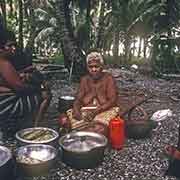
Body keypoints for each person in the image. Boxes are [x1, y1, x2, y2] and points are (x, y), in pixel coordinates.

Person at [0, 43, 51, 138]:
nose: (13, 48)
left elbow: (6, 79)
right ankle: (36, 128)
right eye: (9, 46)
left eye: (13, 45)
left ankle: (17, 125)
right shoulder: (3, 63)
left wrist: (23, 71)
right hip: (5, 106)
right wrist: (40, 88)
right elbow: (20, 88)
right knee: (46, 95)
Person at [60, 52, 119, 132]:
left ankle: (84, 133)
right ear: (87, 67)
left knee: (99, 128)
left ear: (101, 67)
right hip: (85, 110)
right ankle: (80, 131)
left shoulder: (108, 78)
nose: (93, 69)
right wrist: (76, 109)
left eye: (96, 66)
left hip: (105, 110)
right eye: (90, 67)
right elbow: (78, 99)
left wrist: (96, 111)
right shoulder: (84, 79)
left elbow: (112, 100)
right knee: (63, 119)